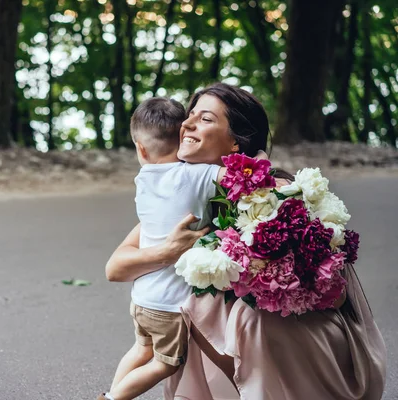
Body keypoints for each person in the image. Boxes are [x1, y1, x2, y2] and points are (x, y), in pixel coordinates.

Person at [105, 83, 387, 400]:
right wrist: (168, 251)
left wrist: (260, 270)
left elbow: (334, 297)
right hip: (233, 349)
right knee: (194, 293)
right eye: (190, 115)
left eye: (206, 119)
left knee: (229, 303)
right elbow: (115, 268)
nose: (187, 124)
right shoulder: (180, 192)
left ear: (236, 140)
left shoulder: (273, 193)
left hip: (296, 344)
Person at [99, 97, 221, 400]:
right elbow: (238, 177)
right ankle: (113, 399)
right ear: (183, 136)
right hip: (169, 305)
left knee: (141, 350)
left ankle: (112, 393)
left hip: (142, 296)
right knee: (164, 365)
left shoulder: (144, 180)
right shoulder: (198, 175)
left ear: (141, 150)